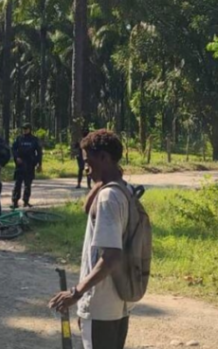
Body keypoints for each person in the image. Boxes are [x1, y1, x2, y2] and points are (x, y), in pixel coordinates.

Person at [49, 130, 132, 349]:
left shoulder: (108, 198)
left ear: (104, 158)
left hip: (100, 304)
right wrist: (103, 178)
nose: (85, 168)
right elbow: (87, 208)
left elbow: (112, 256)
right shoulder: (122, 189)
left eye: (89, 162)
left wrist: (75, 294)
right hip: (117, 302)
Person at [11, 123, 43, 208]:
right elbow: (13, 149)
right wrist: (16, 157)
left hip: (30, 164)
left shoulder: (34, 140)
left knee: (27, 184)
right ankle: (15, 201)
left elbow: (39, 152)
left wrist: (39, 164)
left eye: (26, 129)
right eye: (23, 129)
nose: (24, 130)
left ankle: (26, 201)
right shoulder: (19, 139)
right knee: (18, 184)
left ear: (29, 129)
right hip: (20, 164)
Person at [74, 125, 91, 190]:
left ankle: (82, 184)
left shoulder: (87, 141)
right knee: (84, 170)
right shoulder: (84, 140)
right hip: (83, 157)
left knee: (85, 170)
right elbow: (76, 146)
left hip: (85, 157)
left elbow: (75, 146)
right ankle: (85, 185)